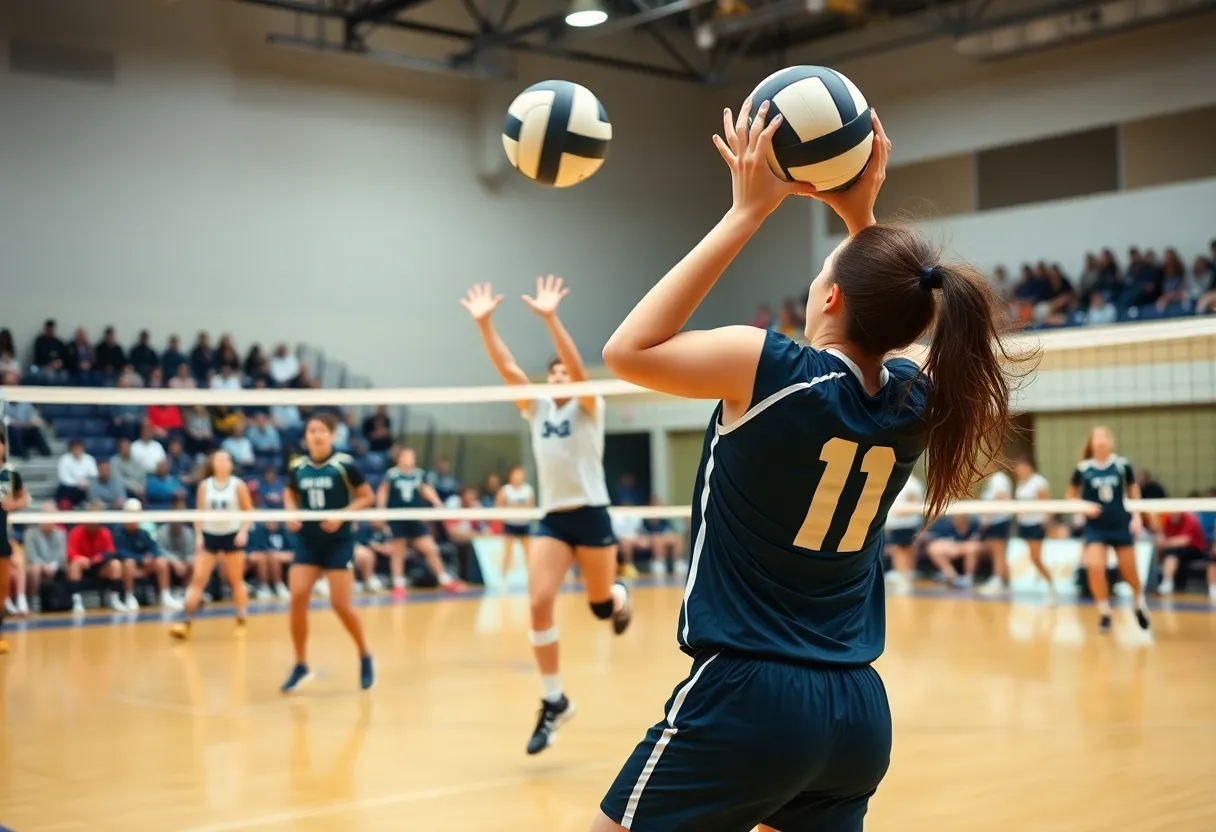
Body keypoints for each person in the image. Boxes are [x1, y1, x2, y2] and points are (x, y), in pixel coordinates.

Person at [592, 103, 1021, 832]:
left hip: (749, 696)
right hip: (855, 713)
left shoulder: (772, 369)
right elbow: (887, 306)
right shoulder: (916, 403)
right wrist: (864, 216)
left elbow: (626, 350)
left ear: (828, 297)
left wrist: (746, 213)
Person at [463, 274, 632, 757]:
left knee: (599, 607)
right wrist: (484, 325)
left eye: (564, 374)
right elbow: (508, 367)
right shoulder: (535, 409)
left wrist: (550, 318)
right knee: (539, 601)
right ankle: (553, 699)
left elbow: (579, 370)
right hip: (554, 519)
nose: (559, 378)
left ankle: (618, 596)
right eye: (553, 374)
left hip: (592, 515)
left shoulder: (588, 405)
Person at [281, 414, 376, 693]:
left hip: (338, 541)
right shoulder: (298, 466)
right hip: (308, 541)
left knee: (340, 605)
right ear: (306, 436)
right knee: (297, 596)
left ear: (332, 436)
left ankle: (364, 654)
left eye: (322, 431)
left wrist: (342, 515)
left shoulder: (344, 464)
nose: (317, 435)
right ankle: (300, 664)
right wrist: (291, 512)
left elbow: (366, 496)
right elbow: (289, 493)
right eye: (312, 431)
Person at [1065, 426, 1150, 633]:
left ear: (1110, 441)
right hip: (1096, 527)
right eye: (1097, 436)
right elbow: (1070, 495)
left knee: (1130, 571)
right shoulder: (1083, 468)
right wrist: (1083, 506)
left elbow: (1133, 490)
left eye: (1105, 436)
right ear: (1091, 443)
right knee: (1094, 567)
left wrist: (1137, 515)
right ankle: (1104, 612)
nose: (1101, 440)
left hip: (1120, 524)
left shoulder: (1121, 465)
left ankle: (1138, 602)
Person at [169, 450, 254, 640]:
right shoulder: (205, 486)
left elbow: (249, 511)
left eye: (226, 460)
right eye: (219, 459)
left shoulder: (238, 485)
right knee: (198, 580)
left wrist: (243, 531)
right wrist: (199, 536)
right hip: (210, 536)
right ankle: (185, 621)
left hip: (232, 537)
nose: (223, 463)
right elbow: (199, 513)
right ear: (213, 464)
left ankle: (241, 618)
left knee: (235, 580)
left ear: (231, 464)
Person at [376, 447, 464, 596]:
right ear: (400, 458)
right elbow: (383, 492)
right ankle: (398, 584)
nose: (409, 459)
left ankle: (445, 580)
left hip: (415, 518)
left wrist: (437, 502)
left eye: (412, 456)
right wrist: (380, 511)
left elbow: (426, 490)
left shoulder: (419, 474)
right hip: (397, 518)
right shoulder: (392, 474)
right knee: (398, 552)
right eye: (406, 456)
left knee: (430, 548)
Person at [113, 498, 181, 611]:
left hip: (144, 566)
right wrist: (141, 559)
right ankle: (130, 597)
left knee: (161, 561)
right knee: (129, 562)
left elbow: (154, 548)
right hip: (127, 567)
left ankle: (165, 595)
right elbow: (120, 552)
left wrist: (152, 557)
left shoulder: (143, 533)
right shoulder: (118, 532)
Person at [0, 438, 30, 653]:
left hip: (2, 539)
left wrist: (14, 504)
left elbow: (24, 499)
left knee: (1, 591)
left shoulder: (10, 474)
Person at [1013, 456, 1054, 597]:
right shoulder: (1021, 483)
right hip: (1024, 524)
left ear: (1029, 467)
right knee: (1032, 557)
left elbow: (1046, 503)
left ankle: (1050, 586)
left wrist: (1046, 522)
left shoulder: (1038, 482)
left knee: (1036, 557)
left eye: (1021, 468)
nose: (1019, 472)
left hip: (1036, 524)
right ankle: (1041, 576)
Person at [883, 473, 924, 594]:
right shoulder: (915, 482)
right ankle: (907, 576)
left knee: (899, 551)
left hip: (901, 522)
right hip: (911, 522)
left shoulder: (904, 481)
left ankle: (902, 578)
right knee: (907, 550)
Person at [977, 462, 1013, 595]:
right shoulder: (992, 480)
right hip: (994, 520)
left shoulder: (999, 479)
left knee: (998, 551)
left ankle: (998, 580)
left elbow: (1000, 498)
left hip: (999, 520)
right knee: (997, 551)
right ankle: (1003, 581)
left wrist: (987, 517)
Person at [24, 504, 69, 612]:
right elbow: (31, 555)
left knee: (69, 566)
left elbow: (62, 554)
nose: (49, 520)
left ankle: (69, 600)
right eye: (46, 515)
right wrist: (44, 566)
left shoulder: (61, 533)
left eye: (51, 516)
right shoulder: (30, 533)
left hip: (55, 567)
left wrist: (54, 565)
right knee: (34, 568)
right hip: (38, 566)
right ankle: (34, 600)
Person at [495, 464, 535, 577]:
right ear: (511, 475)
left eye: (521, 474)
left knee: (529, 553)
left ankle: (532, 578)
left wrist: (518, 505)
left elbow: (531, 506)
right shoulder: (505, 490)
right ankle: (502, 581)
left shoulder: (528, 489)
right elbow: (498, 506)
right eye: (516, 474)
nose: (519, 476)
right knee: (507, 554)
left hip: (524, 524)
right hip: (510, 524)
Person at [1155, 511, 1207, 596]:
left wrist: (1165, 543)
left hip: (1195, 549)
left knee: (1172, 553)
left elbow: (1185, 540)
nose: (1173, 515)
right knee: (1171, 552)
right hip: (1175, 550)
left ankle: (1167, 582)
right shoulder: (1167, 519)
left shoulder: (1190, 519)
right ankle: (1167, 581)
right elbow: (1161, 537)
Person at [247, 521, 294, 600]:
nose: (272, 523)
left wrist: (280, 555)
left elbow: (292, 550)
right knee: (265, 558)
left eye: (274, 521)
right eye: (270, 521)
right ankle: (264, 587)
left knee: (274, 557)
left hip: (280, 558)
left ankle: (279, 586)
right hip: (263, 559)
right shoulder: (258, 532)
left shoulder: (284, 531)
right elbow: (252, 552)